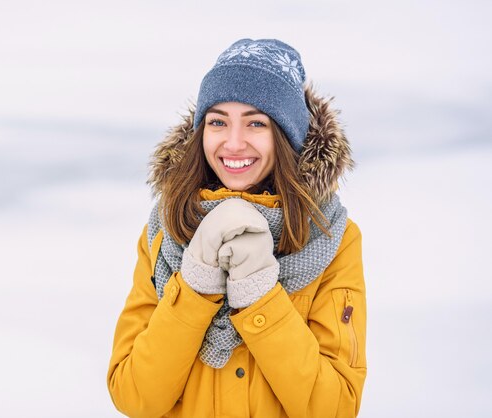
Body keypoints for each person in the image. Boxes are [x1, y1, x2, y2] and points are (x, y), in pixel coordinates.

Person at [107, 38, 366, 418]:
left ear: (287, 135)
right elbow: (134, 396)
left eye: (256, 123)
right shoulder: (167, 231)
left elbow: (335, 407)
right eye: (218, 122)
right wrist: (194, 285)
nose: (233, 143)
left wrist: (261, 295)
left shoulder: (330, 239)